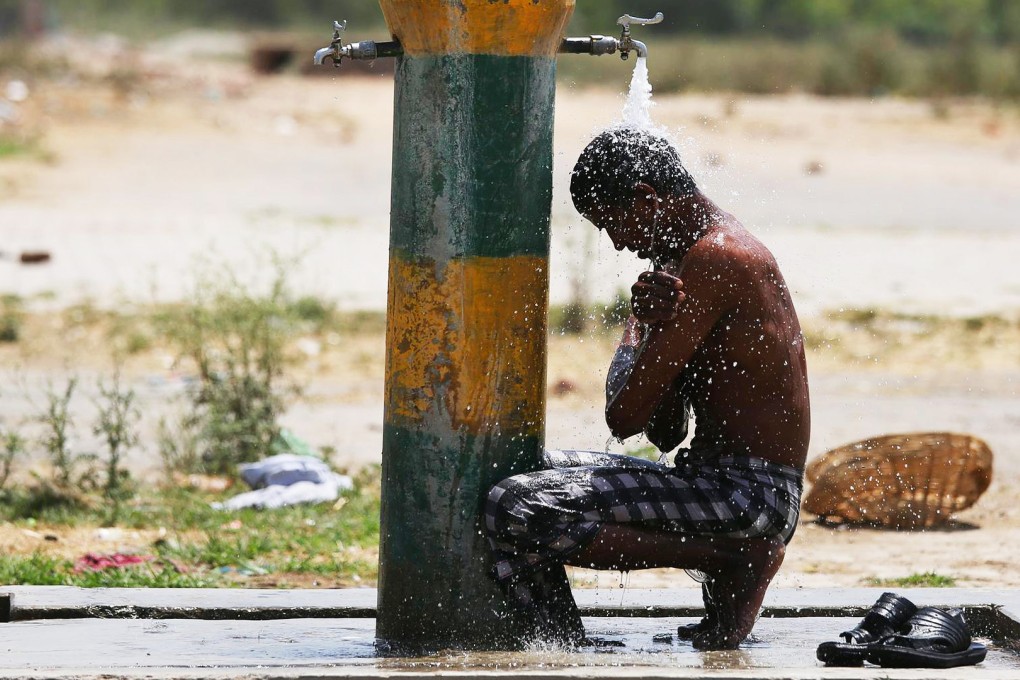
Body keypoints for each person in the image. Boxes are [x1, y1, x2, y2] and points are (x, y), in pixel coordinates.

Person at [484, 127, 811, 650]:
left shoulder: (716, 257)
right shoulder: (683, 262)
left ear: (646, 199)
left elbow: (625, 418)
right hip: (713, 481)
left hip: (751, 496)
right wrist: (652, 325)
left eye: (613, 223)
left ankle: (733, 558)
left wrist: (637, 327)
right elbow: (665, 430)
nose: (618, 243)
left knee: (516, 504)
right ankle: (562, 649)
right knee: (515, 466)